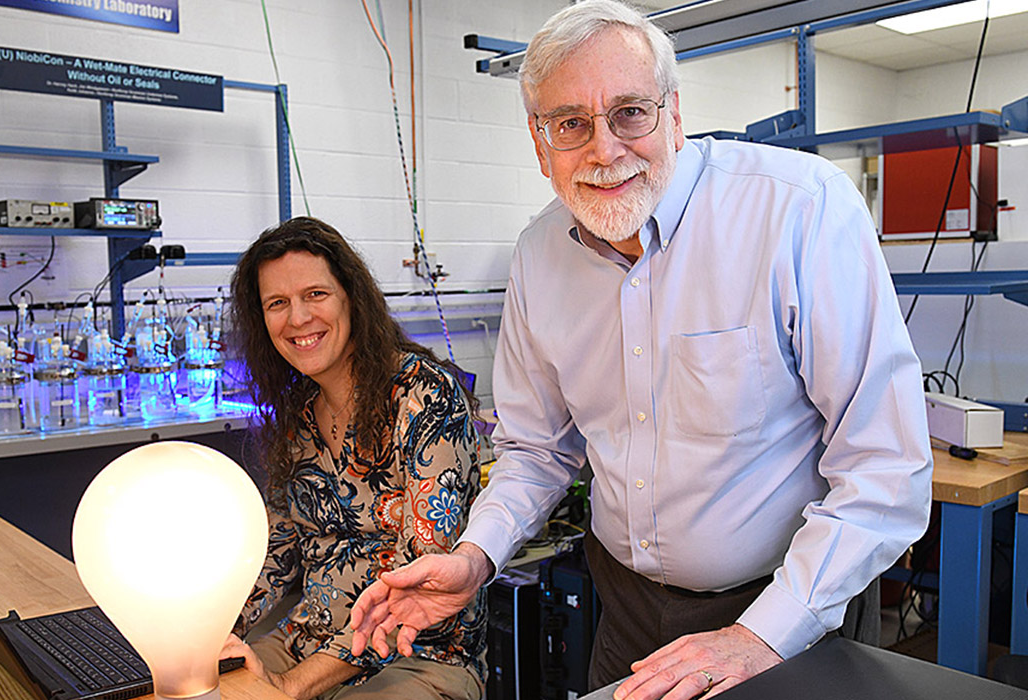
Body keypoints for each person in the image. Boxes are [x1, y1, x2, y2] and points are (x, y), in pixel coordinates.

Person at [349, 2, 932, 699]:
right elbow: (536, 449)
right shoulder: (539, 257)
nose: (604, 149)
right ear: (540, 145)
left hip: (788, 610)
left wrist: (759, 635)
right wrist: (476, 556)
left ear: (675, 116)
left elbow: (885, 467)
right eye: (571, 124)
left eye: (630, 112)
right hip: (627, 610)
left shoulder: (799, 212)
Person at [220, 216, 487, 700]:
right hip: (304, 640)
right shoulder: (298, 413)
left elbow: (418, 586)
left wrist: (289, 686)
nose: (297, 318)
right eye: (277, 304)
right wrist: (208, 631)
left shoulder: (423, 397)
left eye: (315, 295)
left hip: (418, 658)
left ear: (352, 297)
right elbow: (277, 549)